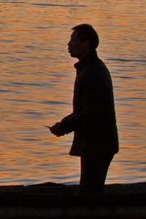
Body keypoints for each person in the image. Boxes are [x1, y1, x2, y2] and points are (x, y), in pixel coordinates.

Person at [49, 23, 119, 192]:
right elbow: (85, 110)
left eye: (73, 40)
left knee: (90, 191)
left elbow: (90, 113)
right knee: (90, 189)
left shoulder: (92, 72)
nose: (68, 44)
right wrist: (65, 123)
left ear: (86, 43)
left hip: (98, 143)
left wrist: (64, 126)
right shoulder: (89, 68)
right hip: (96, 143)